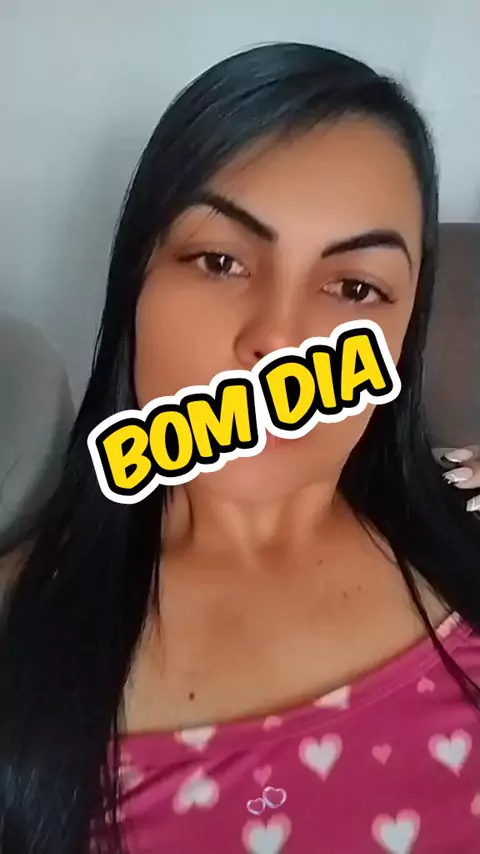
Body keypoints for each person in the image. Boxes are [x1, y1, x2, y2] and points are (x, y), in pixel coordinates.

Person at [1, 42, 480, 854]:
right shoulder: (17, 631)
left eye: (354, 288)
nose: (278, 340)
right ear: (138, 282)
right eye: (219, 261)